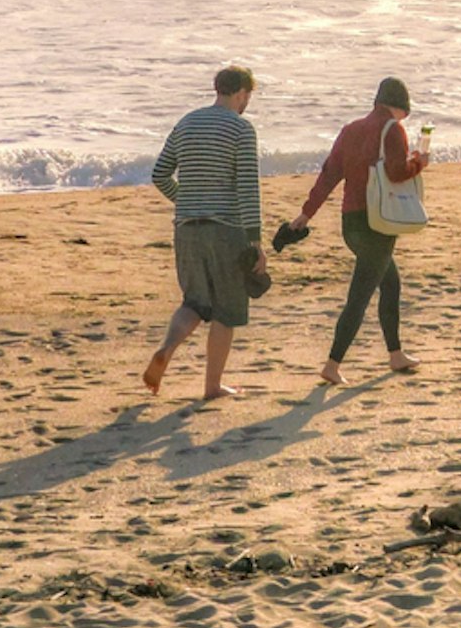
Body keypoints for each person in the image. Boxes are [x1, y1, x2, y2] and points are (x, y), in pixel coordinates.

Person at [286, 76, 428, 385]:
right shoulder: (393, 129)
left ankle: (395, 354)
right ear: (401, 106)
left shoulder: (350, 130)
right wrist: (418, 162)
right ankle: (333, 364)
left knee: (390, 283)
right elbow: (397, 172)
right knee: (359, 296)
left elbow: (330, 174)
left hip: (351, 223)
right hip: (377, 222)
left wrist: (306, 214)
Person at [142, 66, 263, 400]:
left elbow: (160, 173)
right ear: (241, 93)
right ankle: (212, 386)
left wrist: (188, 200)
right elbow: (248, 190)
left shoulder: (187, 123)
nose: (246, 103)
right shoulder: (241, 129)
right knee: (226, 310)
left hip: (187, 229)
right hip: (226, 230)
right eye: (248, 96)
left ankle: (166, 349)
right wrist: (255, 241)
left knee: (194, 301)